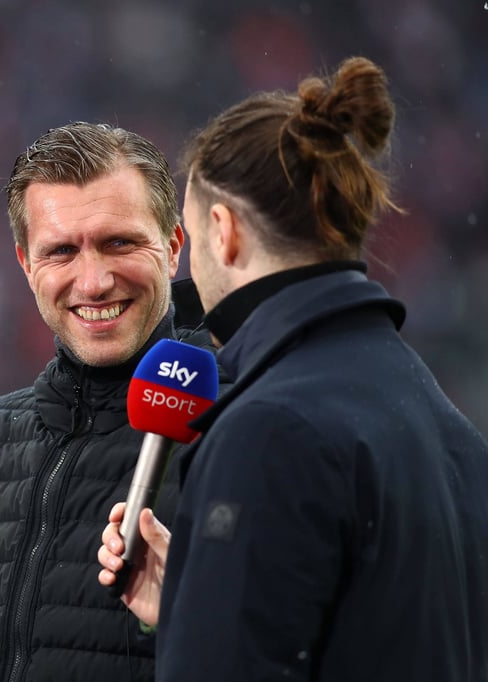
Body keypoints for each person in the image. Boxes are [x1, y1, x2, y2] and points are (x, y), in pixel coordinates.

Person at [97, 56, 488, 681]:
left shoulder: (271, 430)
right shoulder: (448, 427)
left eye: (192, 239)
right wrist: (197, 603)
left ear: (222, 232)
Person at [0, 122, 223, 681]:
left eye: (118, 242)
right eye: (62, 252)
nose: (92, 282)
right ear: (26, 266)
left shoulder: (241, 424)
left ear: (172, 248)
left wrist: (191, 621)